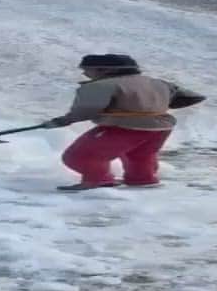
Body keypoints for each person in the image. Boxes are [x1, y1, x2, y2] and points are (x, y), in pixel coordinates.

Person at [43, 54, 205, 191]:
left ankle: (99, 182)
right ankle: (142, 182)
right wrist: (153, 106)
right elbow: (192, 97)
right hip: (161, 127)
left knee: (80, 156)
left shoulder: (101, 85)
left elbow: (87, 110)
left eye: (87, 69)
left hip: (126, 127)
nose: (85, 74)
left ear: (105, 70)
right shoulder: (158, 82)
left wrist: (62, 121)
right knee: (139, 156)